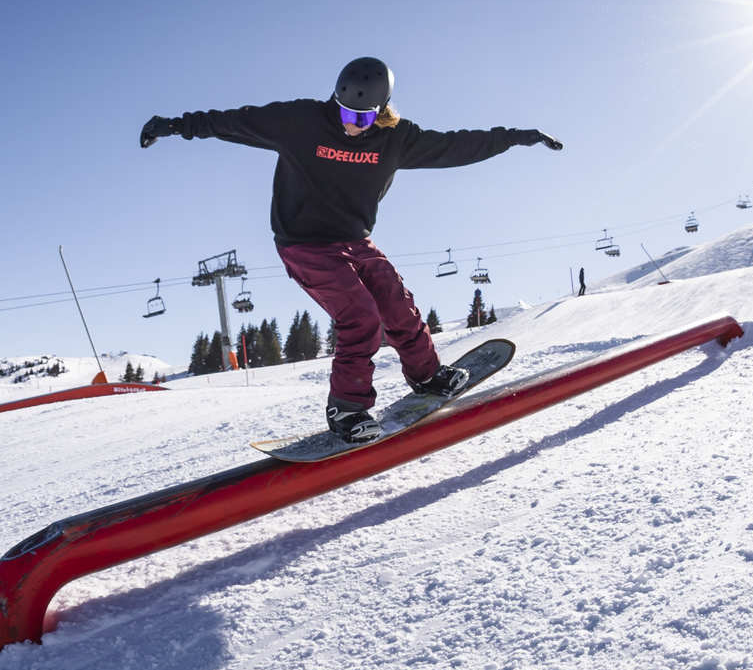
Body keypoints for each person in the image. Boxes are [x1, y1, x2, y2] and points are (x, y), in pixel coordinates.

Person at [141, 56, 562, 443]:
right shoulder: (301, 120)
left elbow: (456, 145)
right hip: (304, 243)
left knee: (395, 299)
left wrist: (517, 137)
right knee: (359, 315)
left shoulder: (397, 138)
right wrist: (173, 125)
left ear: (381, 110)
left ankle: (428, 375)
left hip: (354, 238)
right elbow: (234, 122)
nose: (351, 124)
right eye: (344, 112)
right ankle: (347, 409)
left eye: (362, 117)